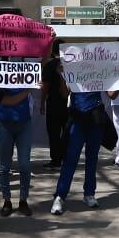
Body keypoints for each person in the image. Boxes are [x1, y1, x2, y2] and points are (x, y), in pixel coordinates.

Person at [50, 67, 117, 215]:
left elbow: (112, 94)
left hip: (95, 119)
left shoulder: (101, 70)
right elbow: (64, 93)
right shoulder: (72, 69)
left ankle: (89, 194)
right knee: (70, 158)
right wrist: (61, 76)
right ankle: (60, 196)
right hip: (77, 119)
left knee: (92, 158)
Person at [0, 51, 36, 218]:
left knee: (24, 164)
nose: (14, 57)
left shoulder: (28, 71)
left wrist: (50, 43)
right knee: (4, 166)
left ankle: (23, 200)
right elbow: (7, 100)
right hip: (3, 125)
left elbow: (44, 63)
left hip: (24, 124)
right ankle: (7, 201)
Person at [41, 40, 69, 169]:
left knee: (54, 133)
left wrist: (42, 102)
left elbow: (45, 86)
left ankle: (56, 160)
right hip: (69, 103)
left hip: (53, 103)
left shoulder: (49, 65)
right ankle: (67, 157)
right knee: (67, 132)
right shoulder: (70, 63)